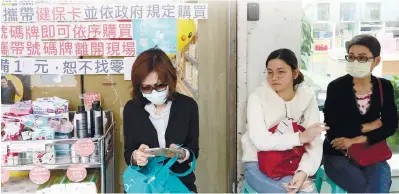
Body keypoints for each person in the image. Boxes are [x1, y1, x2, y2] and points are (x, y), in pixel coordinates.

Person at [241, 48, 328, 193]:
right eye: (270, 72)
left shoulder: (307, 98)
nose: (274, 77)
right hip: (258, 164)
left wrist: (303, 172)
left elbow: (314, 144)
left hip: (295, 165)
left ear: (295, 73)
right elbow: (261, 141)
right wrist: (299, 137)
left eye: (280, 72)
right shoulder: (257, 97)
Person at [323, 34, 398, 193]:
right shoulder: (335, 88)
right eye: (351, 57)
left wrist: (355, 139)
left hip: (371, 152)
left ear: (376, 61)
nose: (355, 62)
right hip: (338, 155)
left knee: (379, 185)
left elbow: (390, 126)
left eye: (362, 58)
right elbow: (333, 129)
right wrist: (370, 126)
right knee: (365, 187)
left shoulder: (384, 87)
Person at [123, 47, 199, 192]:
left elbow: (194, 150)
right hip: (145, 185)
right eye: (146, 88)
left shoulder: (188, 106)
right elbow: (128, 153)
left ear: (170, 81)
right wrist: (136, 157)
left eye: (160, 85)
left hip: (179, 183)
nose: (154, 92)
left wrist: (182, 154)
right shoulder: (132, 109)